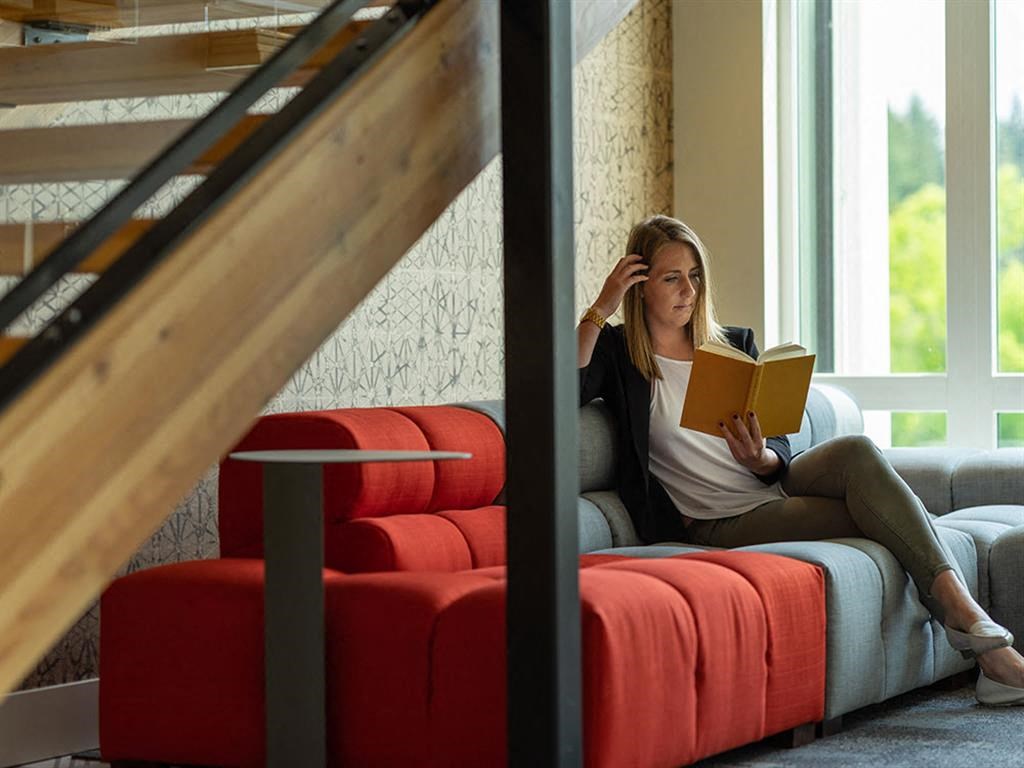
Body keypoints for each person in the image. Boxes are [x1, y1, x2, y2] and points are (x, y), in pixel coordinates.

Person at [577, 214, 1024, 706]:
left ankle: (972, 628)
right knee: (883, 518)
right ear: (639, 286)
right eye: (671, 277)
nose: (689, 289)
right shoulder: (620, 356)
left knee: (858, 450)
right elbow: (564, 390)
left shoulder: (731, 345)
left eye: (695, 274)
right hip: (719, 519)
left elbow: (780, 447)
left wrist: (761, 457)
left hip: (772, 484)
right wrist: (601, 306)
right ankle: (983, 641)